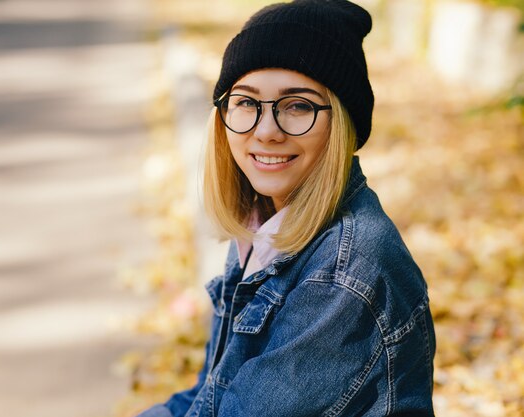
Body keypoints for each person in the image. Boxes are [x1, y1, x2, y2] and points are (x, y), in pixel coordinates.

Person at [138, 0, 436, 415]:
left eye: (298, 106)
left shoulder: (343, 274)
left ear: (341, 125)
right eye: (245, 102)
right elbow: (211, 393)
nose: (266, 131)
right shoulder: (264, 225)